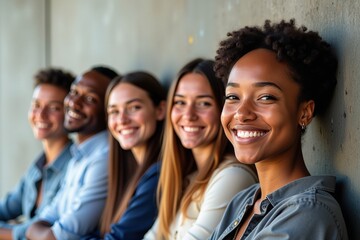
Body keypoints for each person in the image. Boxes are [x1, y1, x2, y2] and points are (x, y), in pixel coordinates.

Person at [208, 19, 348, 240]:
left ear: (304, 112)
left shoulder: (307, 213)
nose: (242, 113)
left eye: (266, 97)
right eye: (233, 97)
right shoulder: (242, 203)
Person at [143, 59, 258, 240]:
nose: (188, 115)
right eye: (180, 102)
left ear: (224, 109)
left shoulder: (232, 176)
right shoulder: (186, 178)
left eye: (204, 103)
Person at [26, 66, 119, 240]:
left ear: (109, 111)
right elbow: (41, 221)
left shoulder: (104, 158)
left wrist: (39, 232)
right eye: (74, 92)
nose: (74, 103)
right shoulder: (79, 155)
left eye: (90, 99)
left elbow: (58, 236)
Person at [82, 71, 166, 240]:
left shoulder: (159, 175)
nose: (122, 120)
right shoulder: (127, 171)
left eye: (134, 107)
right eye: (114, 111)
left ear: (160, 110)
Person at [0, 68, 75, 240]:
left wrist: (12, 232)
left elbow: (46, 233)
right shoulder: (37, 166)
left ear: (69, 113)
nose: (41, 115)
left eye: (54, 107)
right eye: (36, 105)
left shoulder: (74, 166)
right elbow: (6, 208)